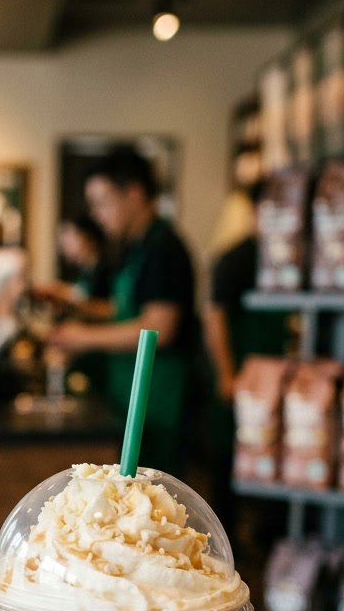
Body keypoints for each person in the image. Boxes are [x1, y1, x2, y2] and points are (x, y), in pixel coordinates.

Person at [48, 148, 197, 477]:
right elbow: (124, 308)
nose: (97, 214)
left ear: (134, 193)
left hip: (159, 398)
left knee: (154, 493)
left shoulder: (164, 248)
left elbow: (160, 326)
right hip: (131, 390)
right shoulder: (137, 246)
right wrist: (75, 306)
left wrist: (84, 337)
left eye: (102, 201)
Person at [203, 186, 287, 527]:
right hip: (241, 374)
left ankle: (267, 533)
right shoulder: (237, 257)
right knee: (227, 457)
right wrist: (226, 373)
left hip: (275, 375)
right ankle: (226, 537)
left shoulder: (285, 255)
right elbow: (214, 317)